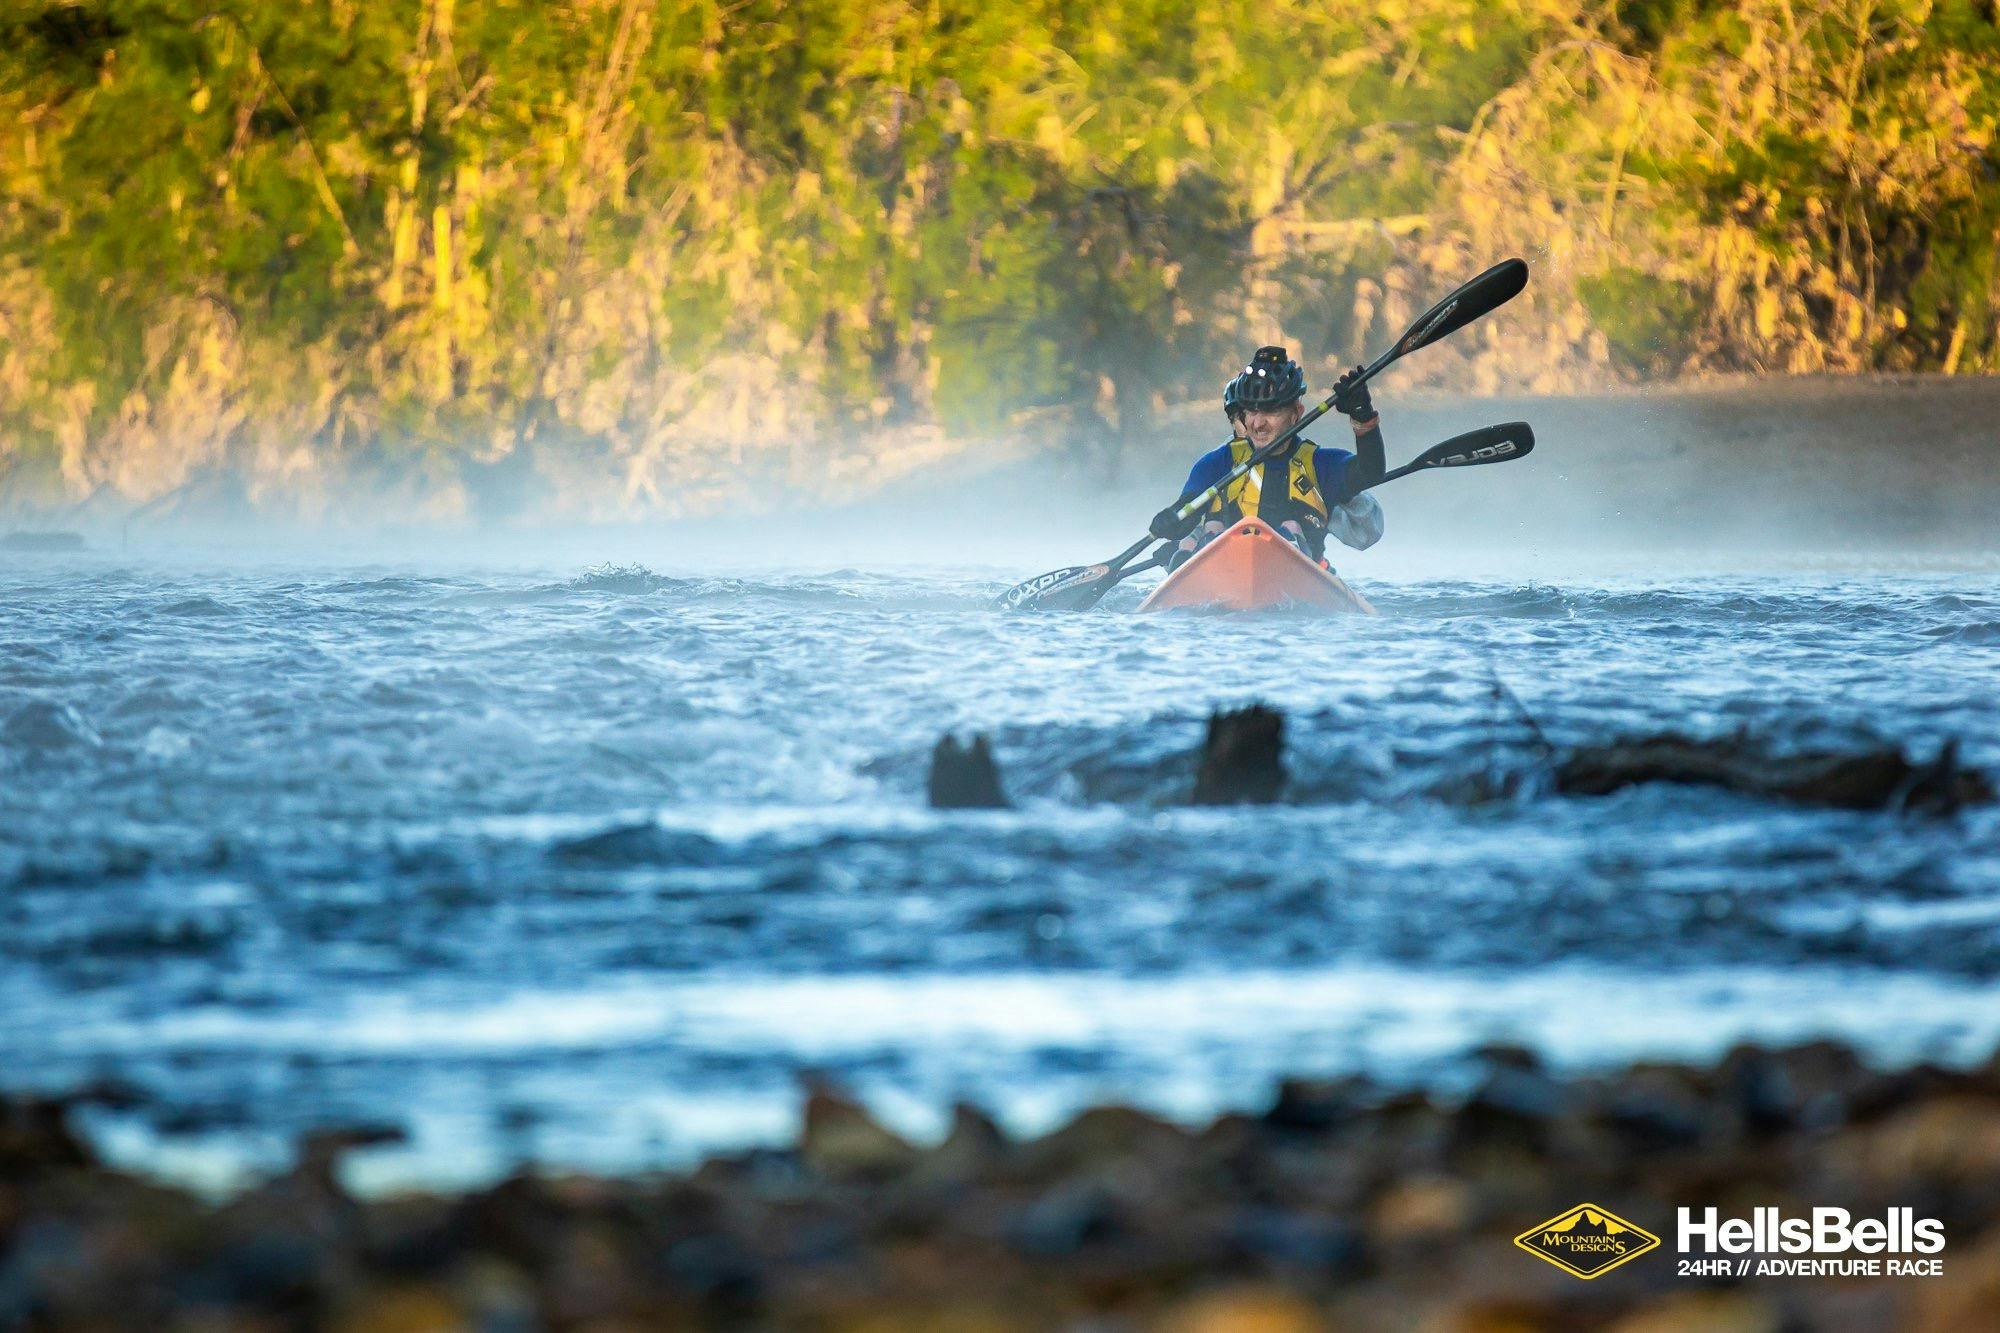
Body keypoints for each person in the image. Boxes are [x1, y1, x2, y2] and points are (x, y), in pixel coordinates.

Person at [1149, 346, 1385, 569]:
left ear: (1297, 413)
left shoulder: (1322, 464)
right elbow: (1186, 511)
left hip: (1297, 574)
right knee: (1212, 528)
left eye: (1271, 411)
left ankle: (1289, 541)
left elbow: (1371, 472)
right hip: (1222, 570)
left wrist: (1362, 417)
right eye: (1251, 411)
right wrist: (1171, 520)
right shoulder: (1215, 463)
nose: (1258, 423)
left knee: (1291, 527)